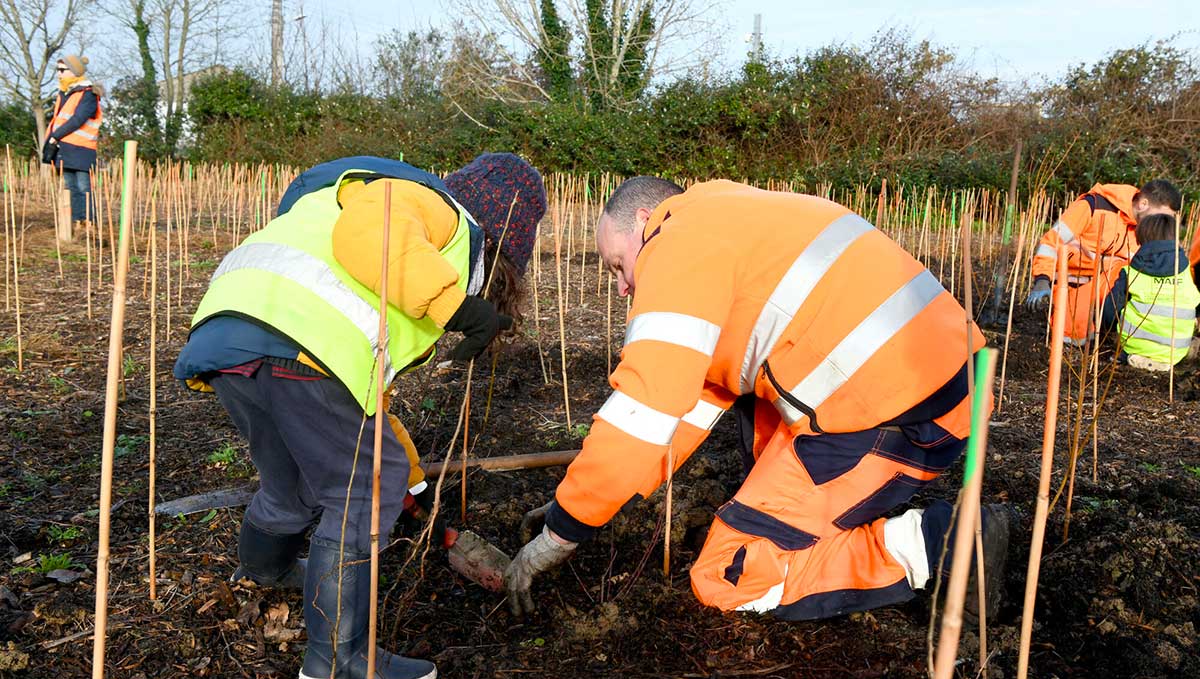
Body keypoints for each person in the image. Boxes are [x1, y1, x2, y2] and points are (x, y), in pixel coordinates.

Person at [504, 177, 1010, 623]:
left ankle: (942, 542)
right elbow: (682, 411)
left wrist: (559, 536)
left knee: (729, 574)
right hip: (933, 382)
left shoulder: (675, 243)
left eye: (618, 264)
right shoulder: (726, 218)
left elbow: (643, 411)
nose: (622, 287)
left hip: (901, 409)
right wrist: (576, 501)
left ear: (645, 220)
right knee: (753, 412)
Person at [175, 154, 547, 679]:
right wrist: (460, 309)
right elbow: (372, 233)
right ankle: (337, 661)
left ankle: (265, 572)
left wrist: (413, 485)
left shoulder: (347, 206)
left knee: (295, 481)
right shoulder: (437, 207)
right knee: (361, 490)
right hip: (299, 343)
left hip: (229, 334)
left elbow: (372, 413)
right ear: (501, 233)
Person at [1024, 180, 1180, 344]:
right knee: (1070, 336)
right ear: (1143, 204)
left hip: (1106, 285)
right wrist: (1042, 279)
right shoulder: (1093, 206)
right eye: (1160, 216)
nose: (1161, 223)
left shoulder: (1145, 228)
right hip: (1071, 283)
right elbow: (1051, 243)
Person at [1107, 213, 1200, 371]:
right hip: (1176, 351)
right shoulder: (1186, 273)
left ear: (1140, 239)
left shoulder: (1130, 272)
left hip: (1132, 345)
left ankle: (1129, 355)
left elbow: (1110, 312)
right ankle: (1170, 360)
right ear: (1176, 239)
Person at [43, 55, 103, 230]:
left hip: (82, 149)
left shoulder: (88, 94)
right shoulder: (65, 94)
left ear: (74, 72)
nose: (59, 74)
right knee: (70, 187)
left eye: (62, 70)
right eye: (58, 70)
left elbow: (78, 119)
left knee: (84, 186)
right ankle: (78, 222)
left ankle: (90, 223)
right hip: (65, 148)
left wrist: (56, 136)